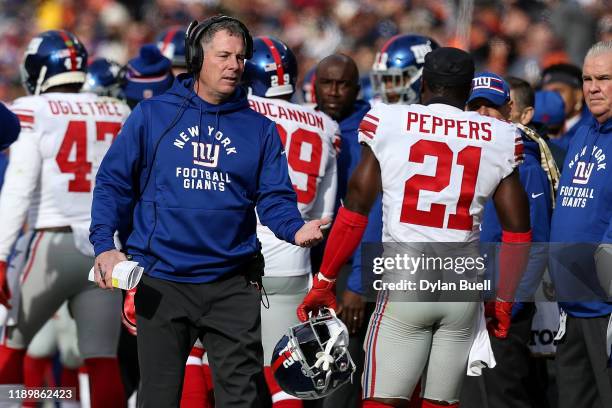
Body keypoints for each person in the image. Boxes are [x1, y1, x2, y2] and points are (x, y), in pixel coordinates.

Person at [90, 15, 329, 408]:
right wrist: (104, 244)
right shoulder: (153, 116)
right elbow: (113, 183)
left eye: (240, 57)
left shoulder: (260, 129)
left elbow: (273, 197)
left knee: (243, 400)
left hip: (231, 283)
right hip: (162, 280)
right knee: (158, 397)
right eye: (223, 55)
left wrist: (293, 229)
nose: (234, 65)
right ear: (197, 58)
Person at [298, 47, 532, 408]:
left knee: (381, 401)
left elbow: (356, 210)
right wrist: (504, 299)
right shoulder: (499, 135)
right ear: (468, 89)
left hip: (406, 280)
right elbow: (518, 231)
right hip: (461, 287)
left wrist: (326, 280)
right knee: (441, 404)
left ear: (424, 84)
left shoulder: (388, 121)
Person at [0, 30, 130, 408]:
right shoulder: (116, 109)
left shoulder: (30, 109)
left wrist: (1, 253)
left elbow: (19, 188)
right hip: (105, 249)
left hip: (50, 243)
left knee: (11, 347)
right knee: (102, 359)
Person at [243, 36, 339, 408]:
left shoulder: (239, 109)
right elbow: (324, 213)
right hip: (294, 260)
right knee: (282, 374)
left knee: (200, 357)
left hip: (236, 253)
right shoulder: (325, 125)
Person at [460, 73, 557, 408]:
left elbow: (537, 246)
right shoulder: (460, 159)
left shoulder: (526, 166)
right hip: (464, 304)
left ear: (509, 109)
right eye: (476, 107)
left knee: (503, 397)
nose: (484, 115)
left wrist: (507, 307)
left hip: (501, 310)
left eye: (492, 107)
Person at [549, 40, 612, 408]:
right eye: (587, 78)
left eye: (604, 78)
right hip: (570, 304)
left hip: (604, 304)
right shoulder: (585, 131)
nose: (592, 87)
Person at [312, 53, 377, 408]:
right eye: (327, 82)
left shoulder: (371, 130)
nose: (334, 91)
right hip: (304, 261)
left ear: (356, 87)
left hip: (349, 266)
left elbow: (377, 211)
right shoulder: (306, 122)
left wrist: (358, 282)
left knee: (339, 376)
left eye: (343, 84)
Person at [370, 34, 439, 104]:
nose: (387, 88)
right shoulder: (373, 108)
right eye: (384, 79)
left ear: (423, 79)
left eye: (396, 80)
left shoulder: (445, 112)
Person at [541, 63, 592, 152]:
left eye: (557, 92)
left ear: (578, 95)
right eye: (545, 93)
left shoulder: (594, 126)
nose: (550, 99)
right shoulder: (537, 124)